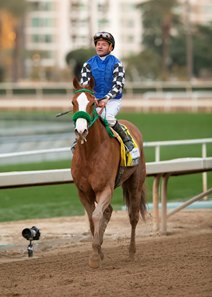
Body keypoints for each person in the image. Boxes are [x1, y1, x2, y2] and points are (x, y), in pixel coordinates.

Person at [74, 31, 139, 160]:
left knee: (107, 117)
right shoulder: (88, 65)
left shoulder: (117, 64)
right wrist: (94, 100)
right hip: (94, 100)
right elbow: (85, 86)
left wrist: (106, 98)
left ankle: (128, 142)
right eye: (98, 44)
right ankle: (77, 142)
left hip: (113, 100)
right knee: (84, 117)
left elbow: (118, 85)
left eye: (104, 44)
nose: (100, 46)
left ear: (111, 48)